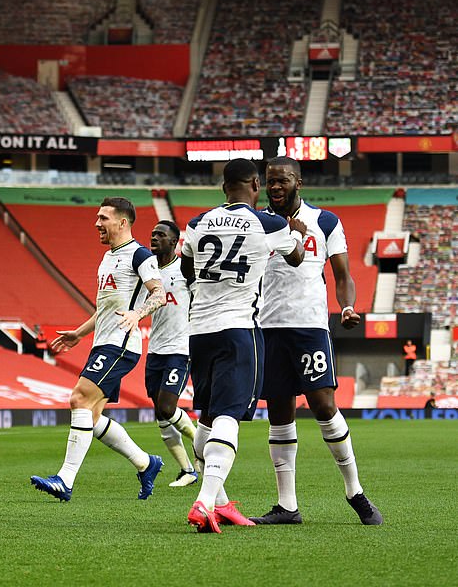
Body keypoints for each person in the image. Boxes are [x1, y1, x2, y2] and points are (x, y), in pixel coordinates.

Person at [252, 156, 382, 526]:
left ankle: (355, 491)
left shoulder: (325, 221)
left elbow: (342, 273)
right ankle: (287, 505)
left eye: (283, 180)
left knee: (324, 405)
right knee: (278, 412)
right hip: (268, 327)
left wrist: (348, 306)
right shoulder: (259, 222)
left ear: (299, 183)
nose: (276, 186)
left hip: (309, 326)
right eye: (271, 181)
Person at [181, 158, 305, 533]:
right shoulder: (269, 223)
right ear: (255, 183)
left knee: (205, 416)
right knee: (229, 417)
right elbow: (296, 258)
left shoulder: (197, 222)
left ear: (223, 188)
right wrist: (295, 231)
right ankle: (204, 502)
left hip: (199, 330)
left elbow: (187, 268)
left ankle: (222, 503)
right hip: (239, 329)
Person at [30, 197, 166, 502]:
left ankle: (64, 480)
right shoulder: (108, 258)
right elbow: (105, 308)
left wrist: (137, 314)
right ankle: (146, 464)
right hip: (102, 342)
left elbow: (159, 293)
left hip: (121, 345)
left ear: (123, 222)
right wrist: (79, 333)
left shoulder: (139, 255)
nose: (97, 223)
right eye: (97, 217)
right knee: (90, 416)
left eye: (103, 218)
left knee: (78, 397)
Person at [144, 220, 197, 487]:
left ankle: (201, 445)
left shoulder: (185, 270)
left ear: (174, 242)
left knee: (167, 406)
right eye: (152, 234)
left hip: (180, 347)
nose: (154, 238)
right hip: (155, 349)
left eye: (160, 235)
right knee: (160, 412)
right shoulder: (147, 270)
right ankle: (188, 469)